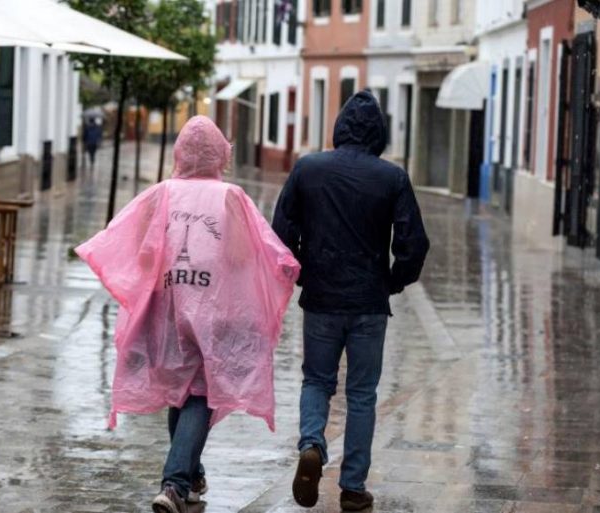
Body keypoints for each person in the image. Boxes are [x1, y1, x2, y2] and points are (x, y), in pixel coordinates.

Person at [75, 116, 300, 513]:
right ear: (220, 155)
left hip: (165, 307)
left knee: (181, 389)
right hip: (214, 308)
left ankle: (191, 476)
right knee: (199, 392)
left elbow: (139, 248)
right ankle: (176, 484)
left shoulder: (162, 194)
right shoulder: (230, 197)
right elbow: (246, 252)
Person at [272, 90, 430, 511]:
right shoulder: (391, 178)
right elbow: (413, 244)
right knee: (362, 393)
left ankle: (312, 444)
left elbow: (280, 233)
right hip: (368, 303)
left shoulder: (307, 169)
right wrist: (393, 282)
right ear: (379, 133)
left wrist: (304, 271)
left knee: (316, 381)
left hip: (321, 297)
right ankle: (353, 488)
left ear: (340, 127)